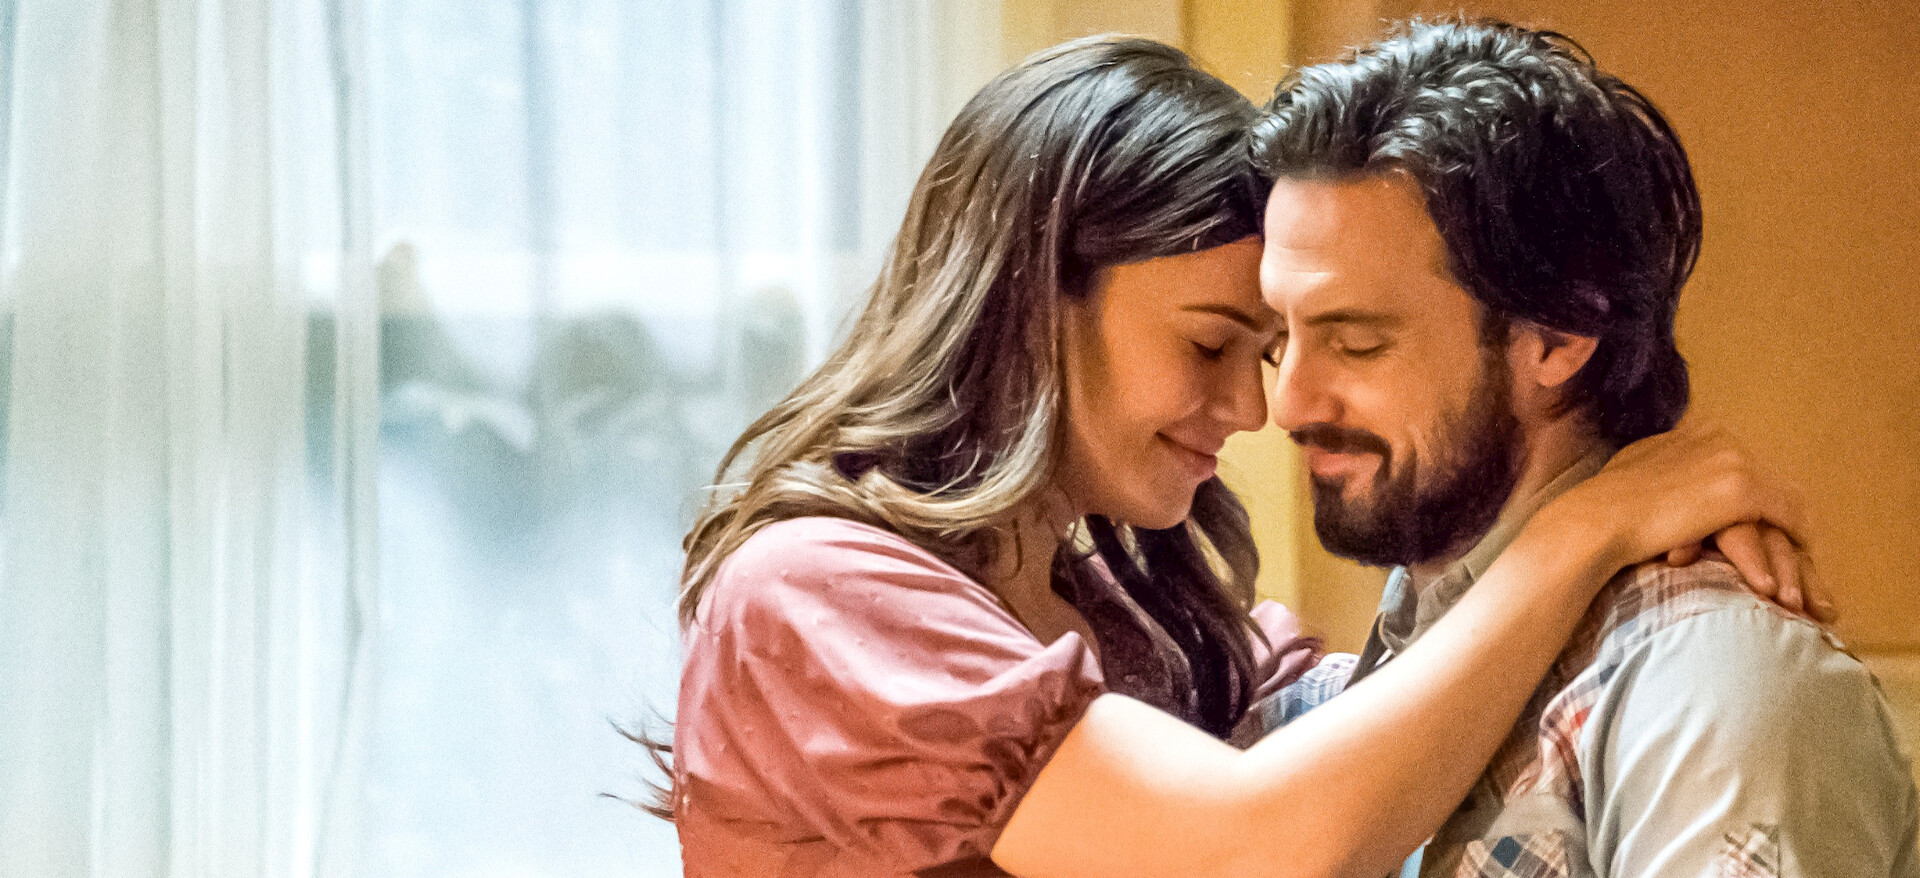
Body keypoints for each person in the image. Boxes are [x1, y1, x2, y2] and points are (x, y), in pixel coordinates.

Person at [659, 36, 1813, 878]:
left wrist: (1661, 561)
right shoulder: (810, 594)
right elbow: (1252, 845)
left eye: (1271, 349)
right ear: (1031, 303)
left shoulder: (1135, 616)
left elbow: (1377, 720)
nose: (1258, 407)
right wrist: (1594, 524)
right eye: (1212, 343)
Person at [1250, 18, 1917, 878]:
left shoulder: (1705, 678)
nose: (1288, 402)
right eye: (1278, 338)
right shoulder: (1366, 680)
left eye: (1358, 343)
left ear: (1559, 338)